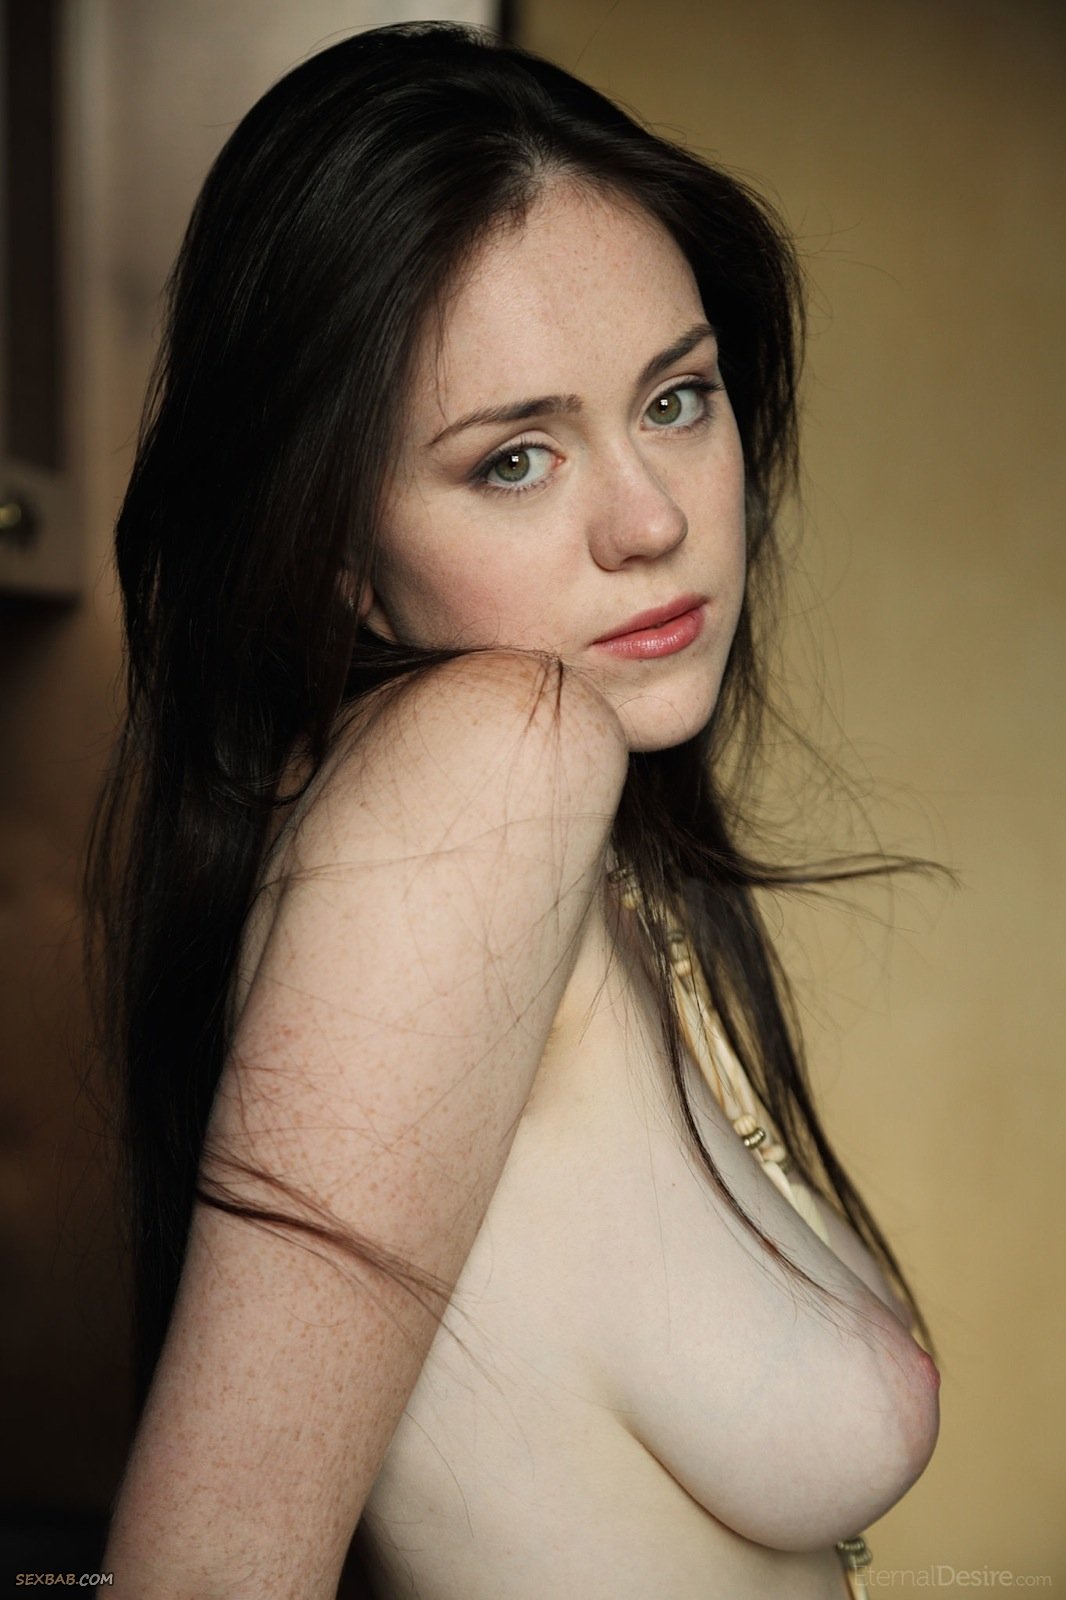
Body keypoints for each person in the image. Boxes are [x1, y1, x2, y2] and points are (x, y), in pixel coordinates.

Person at [85, 21, 941, 1599]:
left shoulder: (558, 835)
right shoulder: (487, 767)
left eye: (675, 400)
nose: (650, 520)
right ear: (337, 556)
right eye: (514, 460)